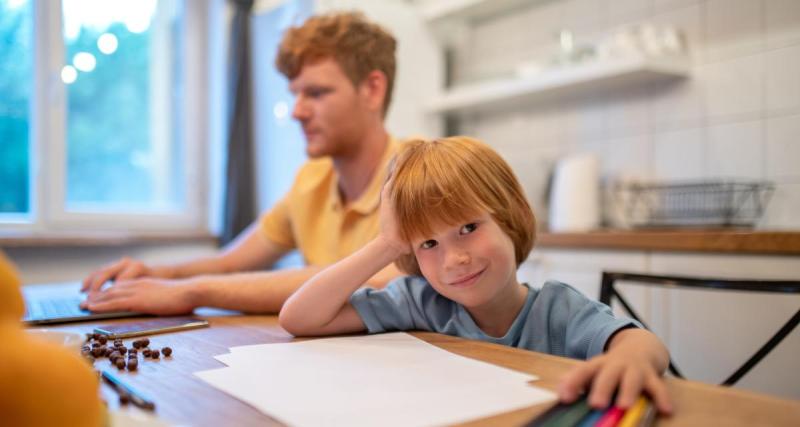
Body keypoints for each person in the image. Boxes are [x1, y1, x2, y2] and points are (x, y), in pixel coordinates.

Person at [279, 137, 673, 414]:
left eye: (468, 228)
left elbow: (640, 342)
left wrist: (633, 360)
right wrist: (386, 244)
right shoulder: (422, 303)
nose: (454, 260)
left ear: (509, 217)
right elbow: (299, 318)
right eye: (428, 244)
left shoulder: (558, 309)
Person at [81, 12, 403, 315]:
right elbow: (230, 263)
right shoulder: (312, 180)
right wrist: (158, 273)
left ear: (373, 89)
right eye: (295, 94)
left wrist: (192, 292)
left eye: (316, 93)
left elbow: (378, 279)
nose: (297, 112)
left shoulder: (421, 174)